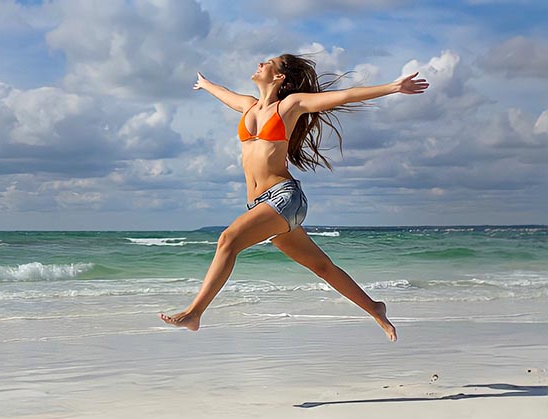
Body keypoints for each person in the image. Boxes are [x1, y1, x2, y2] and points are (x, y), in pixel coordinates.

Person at [159, 54, 429, 341]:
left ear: (279, 77)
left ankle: (195, 313)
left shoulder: (290, 106)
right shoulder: (248, 106)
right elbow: (226, 95)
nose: (260, 63)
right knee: (322, 267)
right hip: (262, 204)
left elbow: (345, 95)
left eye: (268, 63)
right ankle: (375, 308)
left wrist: (393, 87)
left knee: (228, 240)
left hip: (285, 199)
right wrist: (206, 84)